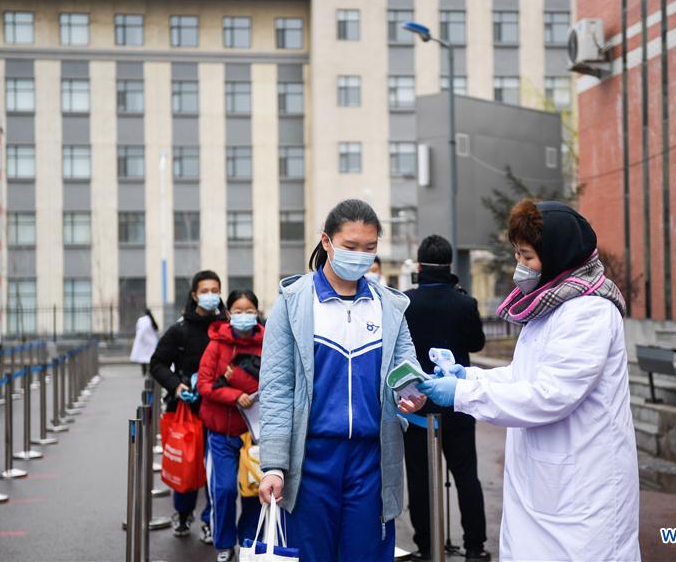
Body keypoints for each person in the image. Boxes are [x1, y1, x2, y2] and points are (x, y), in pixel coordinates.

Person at [412, 200, 640, 561]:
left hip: (583, 492)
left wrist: (463, 393)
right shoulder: (549, 308)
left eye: (528, 256)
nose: (521, 265)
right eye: (517, 254)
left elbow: (550, 395)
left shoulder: (588, 311)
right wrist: (466, 374)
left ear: (558, 255)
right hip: (546, 485)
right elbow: (524, 377)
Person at [258, 199, 417, 562]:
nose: (360, 256)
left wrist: (411, 397)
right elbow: (277, 388)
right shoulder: (294, 302)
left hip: (371, 459)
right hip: (311, 460)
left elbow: (407, 374)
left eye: (369, 248)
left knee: (366, 555)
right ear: (326, 242)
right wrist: (273, 465)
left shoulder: (390, 307)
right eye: (350, 246)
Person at [401, 235, 489, 562]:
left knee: (421, 480)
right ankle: (475, 547)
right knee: (466, 476)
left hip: (416, 403)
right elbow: (477, 344)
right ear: (450, 266)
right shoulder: (464, 303)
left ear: (420, 266)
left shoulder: (406, 302)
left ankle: (427, 546)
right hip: (457, 401)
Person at [150, 270, 228, 544]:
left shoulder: (226, 327)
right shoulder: (179, 330)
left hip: (219, 411)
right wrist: (177, 386)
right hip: (186, 410)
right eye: (205, 290)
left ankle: (209, 520)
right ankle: (183, 513)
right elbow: (157, 364)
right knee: (185, 463)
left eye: (215, 289)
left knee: (214, 470)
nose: (211, 295)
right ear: (194, 295)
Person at [197, 289, 263, 562]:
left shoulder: (269, 341)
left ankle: (248, 541)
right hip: (222, 432)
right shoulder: (216, 344)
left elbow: (272, 385)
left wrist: (234, 377)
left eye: (249, 311)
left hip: (255, 435)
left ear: (257, 313)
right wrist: (235, 395)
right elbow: (204, 385)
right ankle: (224, 543)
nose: (244, 316)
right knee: (223, 490)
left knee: (253, 491)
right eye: (238, 311)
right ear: (228, 314)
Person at [130, 309, 159, 376]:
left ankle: (144, 371)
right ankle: (150, 371)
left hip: (144, 341)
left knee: (143, 357)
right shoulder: (151, 319)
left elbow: (139, 330)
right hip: (151, 342)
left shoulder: (142, 320)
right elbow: (156, 329)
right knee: (149, 357)